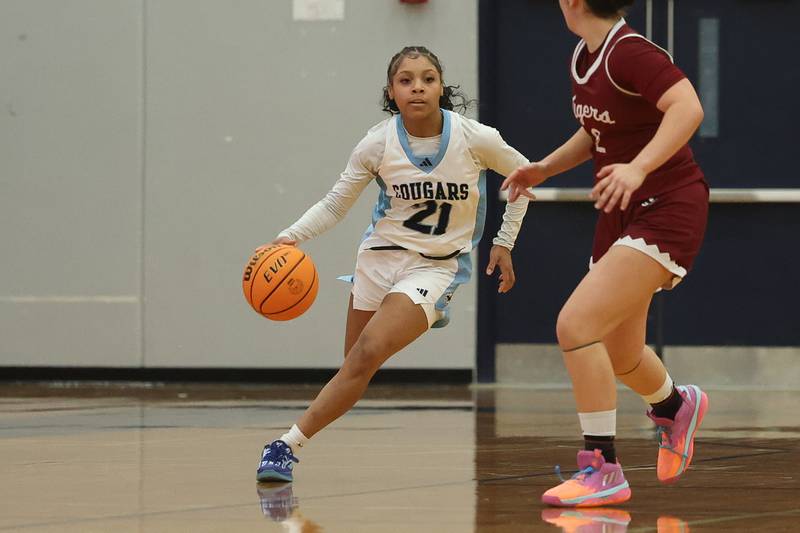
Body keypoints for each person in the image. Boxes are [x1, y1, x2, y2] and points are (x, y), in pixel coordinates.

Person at [256, 46, 531, 482]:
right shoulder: (377, 143)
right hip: (378, 259)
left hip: (435, 268)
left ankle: (284, 447)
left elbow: (524, 177)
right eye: (406, 80)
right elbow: (335, 204)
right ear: (391, 91)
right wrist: (289, 237)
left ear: (441, 87)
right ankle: (294, 441)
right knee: (354, 367)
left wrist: (504, 242)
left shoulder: (475, 138)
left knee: (367, 351)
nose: (417, 87)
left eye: (427, 79)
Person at [502, 0, 709, 507]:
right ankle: (674, 406)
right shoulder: (585, 55)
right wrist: (544, 168)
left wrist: (637, 168)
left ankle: (603, 467)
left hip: (667, 205)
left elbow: (688, 108)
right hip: (622, 211)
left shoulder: (630, 51)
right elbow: (596, 133)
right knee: (621, 354)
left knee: (576, 325)